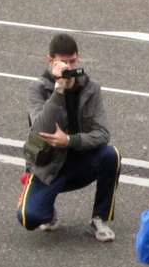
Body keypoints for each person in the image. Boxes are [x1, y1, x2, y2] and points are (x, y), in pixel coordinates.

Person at [16, 33, 121, 242]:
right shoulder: (37, 88)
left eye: (72, 61)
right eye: (63, 62)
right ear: (50, 61)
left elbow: (102, 134)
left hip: (81, 162)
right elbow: (40, 129)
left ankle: (99, 219)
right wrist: (59, 89)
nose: (69, 67)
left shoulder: (91, 88)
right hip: (49, 168)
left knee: (111, 155)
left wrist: (70, 141)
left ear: (78, 57)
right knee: (30, 218)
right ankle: (48, 212)